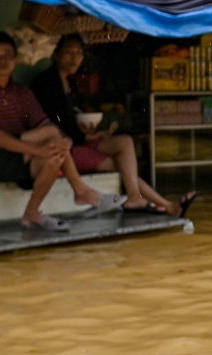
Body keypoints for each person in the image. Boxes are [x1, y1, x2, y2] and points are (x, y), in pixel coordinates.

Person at [0, 31, 119, 230]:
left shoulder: (22, 92)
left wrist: (65, 141)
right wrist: (38, 150)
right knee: (52, 137)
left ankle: (32, 213)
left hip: (17, 155)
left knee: (55, 152)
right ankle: (81, 191)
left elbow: (43, 124)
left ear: (15, 59)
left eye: (7, 55)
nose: (2, 60)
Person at [32, 33, 193, 218]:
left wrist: (89, 134)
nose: (75, 58)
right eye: (69, 52)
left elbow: (71, 121)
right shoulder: (47, 83)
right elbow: (57, 122)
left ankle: (141, 198)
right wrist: (85, 136)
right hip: (65, 149)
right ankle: (166, 206)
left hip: (77, 142)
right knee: (123, 166)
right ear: (56, 54)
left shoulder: (70, 84)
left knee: (124, 141)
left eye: (79, 52)